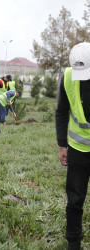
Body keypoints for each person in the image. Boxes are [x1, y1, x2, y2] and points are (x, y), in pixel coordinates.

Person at [55, 42, 90, 250]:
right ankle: (73, 242)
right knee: (75, 199)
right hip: (78, 149)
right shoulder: (68, 76)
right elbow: (61, 111)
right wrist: (62, 145)